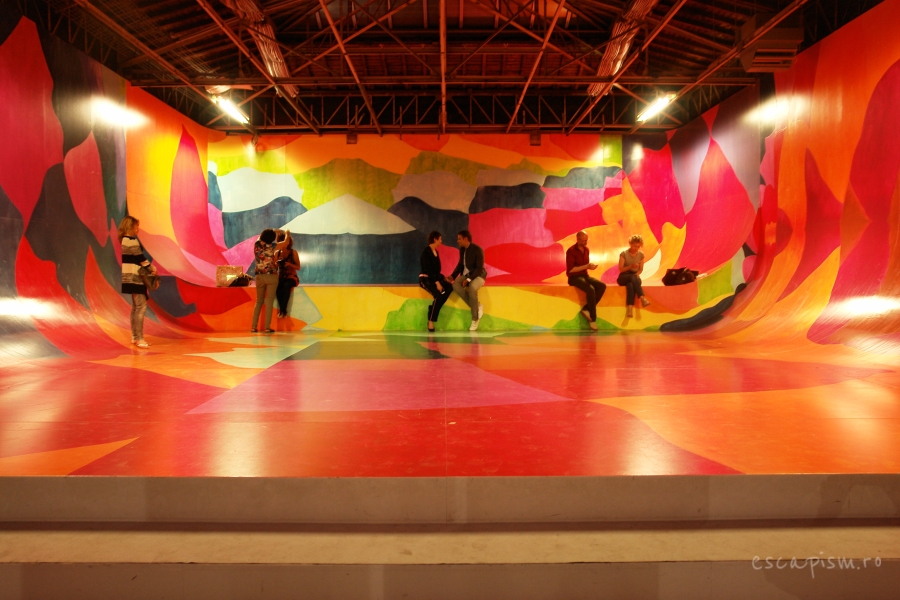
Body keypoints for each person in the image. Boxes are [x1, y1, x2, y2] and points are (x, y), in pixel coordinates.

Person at [118, 216, 156, 349]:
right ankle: (139, 338)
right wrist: (152, 268)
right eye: (136, 226)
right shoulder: (132, 241)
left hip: (128, 277)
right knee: (141, 307)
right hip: (136, 278)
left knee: (136, 307)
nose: (137, 229)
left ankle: (135, 337)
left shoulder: (124, 240)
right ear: (131, 226)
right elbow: (141, 259)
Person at [565, 231, 606, 331]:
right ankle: (593, 319)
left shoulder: (587, 250)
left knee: (602, 286)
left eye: (586, 240)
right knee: (590, 289)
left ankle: (586, 309)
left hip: (585, 275)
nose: (585, 242)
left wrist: (590, 267)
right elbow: (571, 270)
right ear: (578, 239)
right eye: (583, 241)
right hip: (574, 277)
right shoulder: (571, 251)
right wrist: (586, 266)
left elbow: (585, 266)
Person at [251, 228, 289, 333]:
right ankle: (267, 327)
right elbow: (286, 242)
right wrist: (287, 233)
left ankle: (253, 327)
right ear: (272, 239)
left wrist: (273, 231)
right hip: (272, 276)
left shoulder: (256, 245)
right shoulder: (273, 246)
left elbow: (261, 237)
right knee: (269, 301)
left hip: (259, 276)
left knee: (259, 301)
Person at [450, 230, 487, 331]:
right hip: (466, 275)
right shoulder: (462, 249)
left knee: (472, 288)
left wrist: (469, 279)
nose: (457, 241)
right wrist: (452, 276)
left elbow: (479, 269)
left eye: (459, 239)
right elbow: (460, 264)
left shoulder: (477, 250)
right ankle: (477, 306)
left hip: (478, 275)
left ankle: (475, 319)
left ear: (465, 239)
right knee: (455, 285)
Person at [419, 231, 452, 332]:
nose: (441, 241)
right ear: (435, 239)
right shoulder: (426, 252)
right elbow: (428, 270)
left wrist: (443, 278)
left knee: (449, 287)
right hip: (425, 279)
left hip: (434, 278)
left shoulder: (436, 252)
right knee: (438, 295)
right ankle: (430, 320)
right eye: (440, 239)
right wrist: (437, 283)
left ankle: (432, 308)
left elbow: (436, 271)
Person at [618, 234, 651, 318]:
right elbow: (621, 269)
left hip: (634, 276)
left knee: (631, 285)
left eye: (638, 247)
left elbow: (641, 269)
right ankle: (642, 298)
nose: (636, 248)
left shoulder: (641, 255)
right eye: (634, 246)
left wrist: (638, 273)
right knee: (632, 278)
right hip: (624, 276)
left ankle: (629, 310)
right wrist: (630, 266)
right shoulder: (624, 254)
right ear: (630, 244)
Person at [275, 232, 300, 319]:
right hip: (281, 277)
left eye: (287, 241)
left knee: (287, 286)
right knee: (277, 287)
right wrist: (276, 264)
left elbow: (298, 267)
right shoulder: (277, 253)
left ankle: (282, 311)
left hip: (292, 277)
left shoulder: (293, 252)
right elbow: (274, 268)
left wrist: (289, 264)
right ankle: (283, 311)